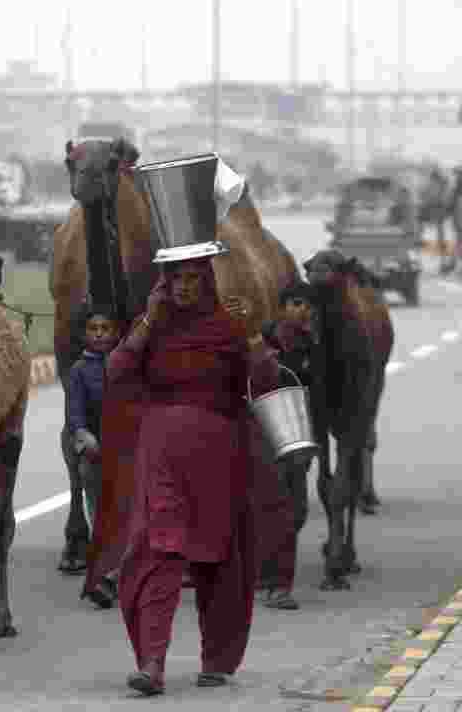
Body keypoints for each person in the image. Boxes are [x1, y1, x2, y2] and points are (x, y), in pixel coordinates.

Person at [108, 257, 280, 696]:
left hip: (218, 455)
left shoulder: (228, 325)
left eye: (192, 279)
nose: (183, 288)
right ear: (164, 283)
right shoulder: (154, 325)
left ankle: (217, 660)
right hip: (162, 451)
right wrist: (147, 320)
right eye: (176, 279)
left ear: (207, 283)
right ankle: (152, 664)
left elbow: (265, 380)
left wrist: (253, 333)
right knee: (159, 552)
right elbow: (117, 370)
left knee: (217, 558)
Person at [255, 281, 318, 610]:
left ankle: (271, 576)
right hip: (265, 435)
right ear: (282, 308)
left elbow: (314, 392)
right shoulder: (264, 339)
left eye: (306, 304)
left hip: (296, 434)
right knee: (274, 511)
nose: (301, 310)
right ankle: (277, 584)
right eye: (294, 303)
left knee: (297, 511)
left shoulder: (311, 345)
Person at [67, 305, 122, 609]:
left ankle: (111, 577)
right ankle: (103, 576)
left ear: (115, 333)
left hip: (125, 456)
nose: (99, 333)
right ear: (84, 335)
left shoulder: (125, 365)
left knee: (124, 518)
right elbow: (74, 415)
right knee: (99, 519)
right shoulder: (79, 371)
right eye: (93, 329)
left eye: (105, 328)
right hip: (94, 456)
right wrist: (83, 435)